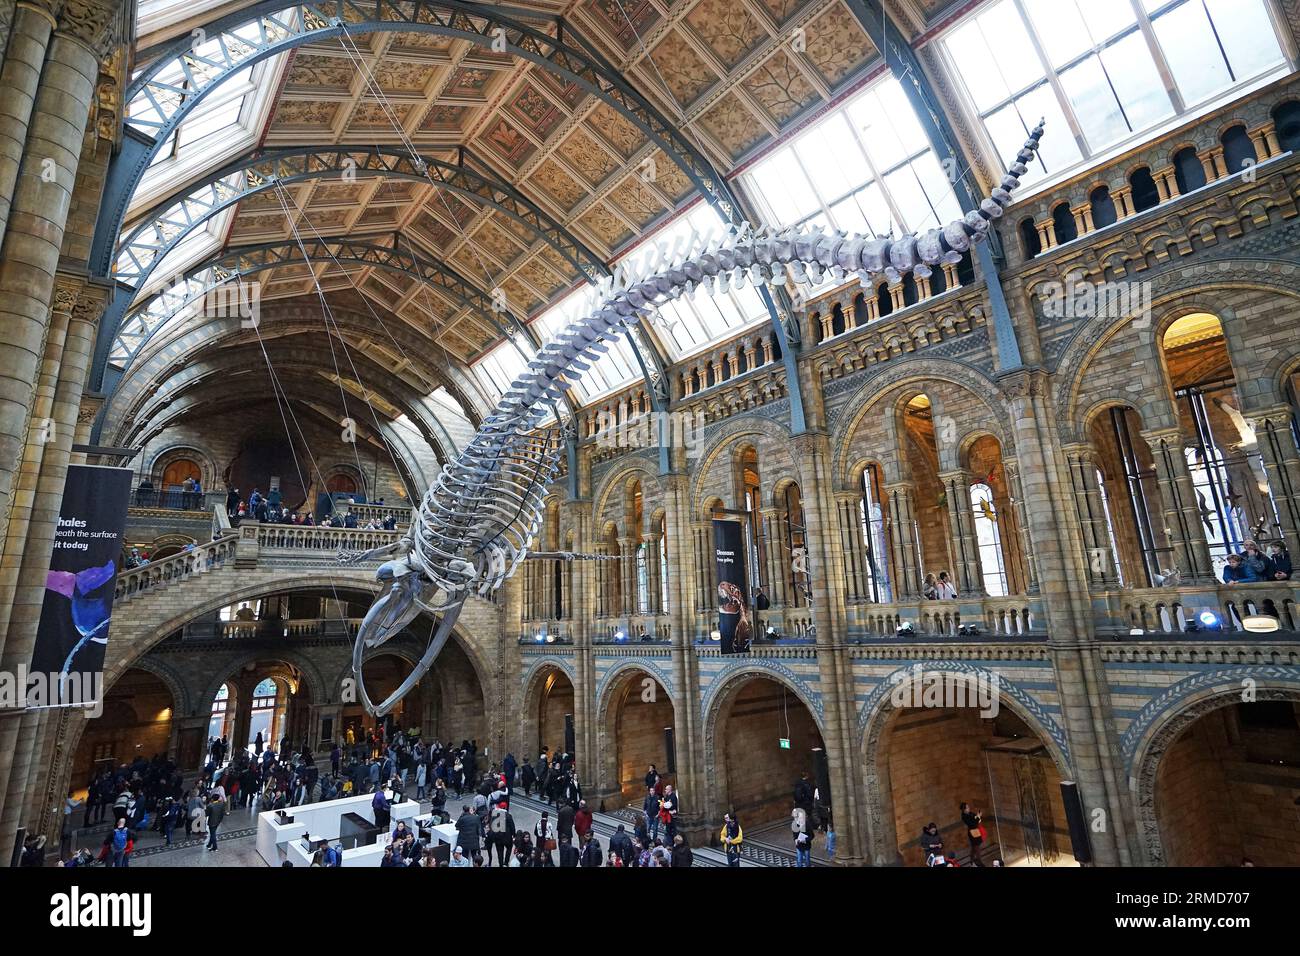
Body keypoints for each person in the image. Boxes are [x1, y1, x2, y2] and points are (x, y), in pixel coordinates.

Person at [961, 801, 984, 866]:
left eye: (968, 807)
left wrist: (978, 816)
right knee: (977, 848)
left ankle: (971, 860)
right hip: (972, 833)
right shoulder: (964, 816)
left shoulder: (970, 813)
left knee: (974, 848)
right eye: (967, 807)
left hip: (976, 831)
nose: (969, 808)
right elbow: (972, 824)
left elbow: (975, 818)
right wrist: (978, 818)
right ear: (964, 810)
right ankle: (979, 862)